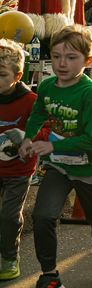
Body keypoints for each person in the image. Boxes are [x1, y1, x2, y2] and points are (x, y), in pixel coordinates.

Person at [21, 26, 92, 288]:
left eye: (71, 57)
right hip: (59, 167)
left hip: (91, 167)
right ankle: (49, 274)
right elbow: (39, 113)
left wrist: (51, 147)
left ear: (88, 61)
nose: (62, 63)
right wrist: (29, 138)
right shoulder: (48, 85)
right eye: (57, 55)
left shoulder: (90, 94)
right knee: (43, 216)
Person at [0, 39, 37, 281]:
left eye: (1, 74)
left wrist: (28, 140)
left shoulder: (31, 101)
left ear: (17, 75)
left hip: (17, 170)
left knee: (9, 216)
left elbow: (42, 131)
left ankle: (10, 257)